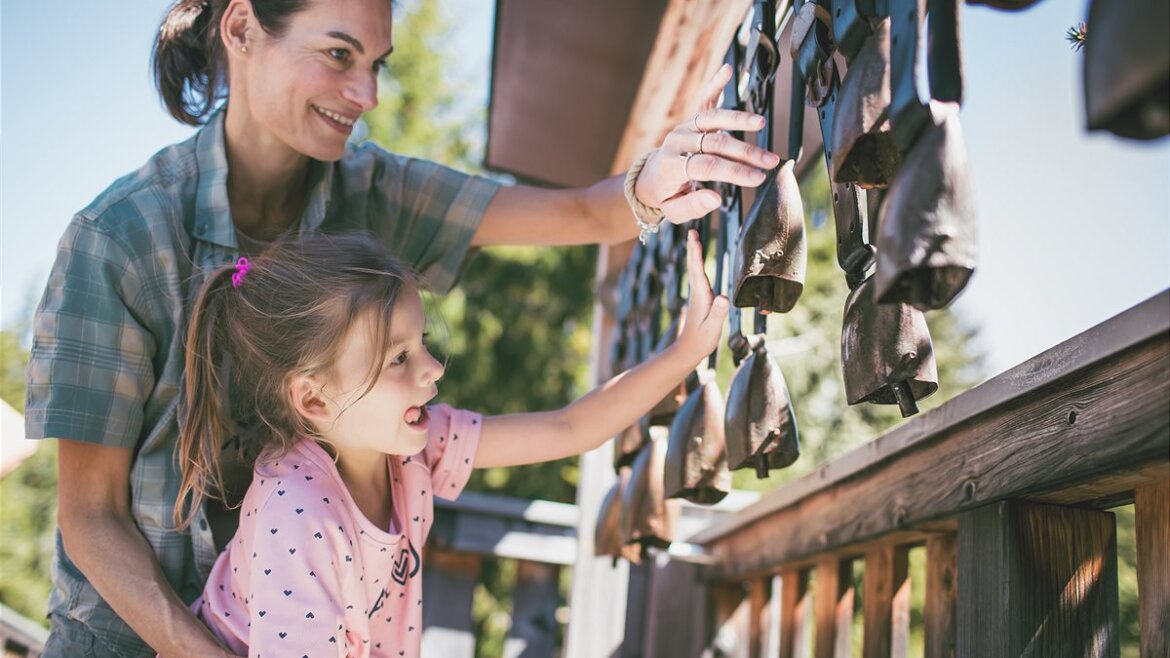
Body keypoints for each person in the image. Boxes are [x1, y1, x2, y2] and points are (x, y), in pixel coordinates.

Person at [25, 0, 778, 655]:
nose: (368, 95)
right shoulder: (119, 238)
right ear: (242, 28)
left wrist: (654, 182)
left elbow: (581, 212)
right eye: (338, 55)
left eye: (378, 64)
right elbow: (91, 519)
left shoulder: (374, 189)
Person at [172, 230, 725, 657]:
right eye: (399, 358)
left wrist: (683, 353)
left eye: (424, 344)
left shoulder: (413, 447)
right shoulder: (295, 510)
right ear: (314, 401)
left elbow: (567, 429)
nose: (433, 370)